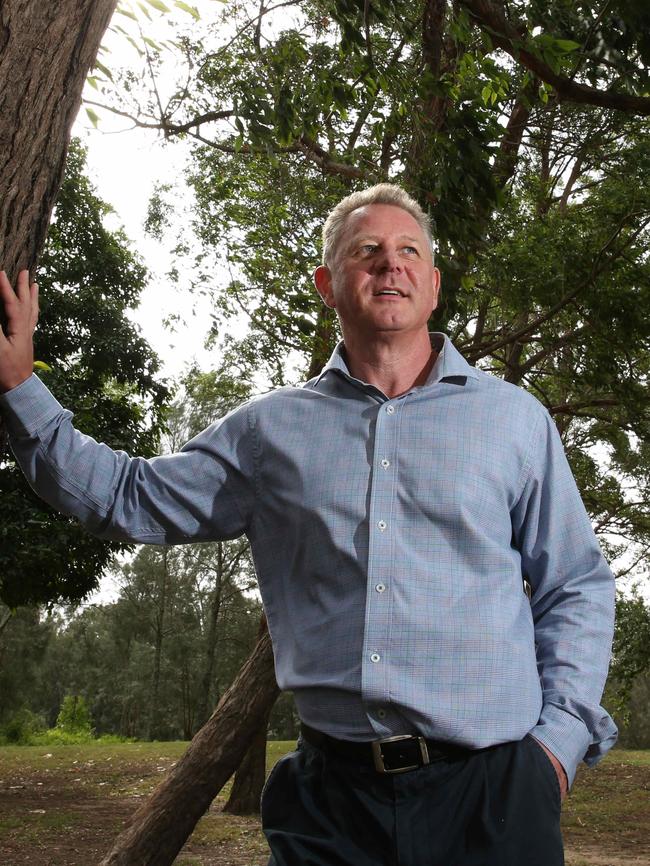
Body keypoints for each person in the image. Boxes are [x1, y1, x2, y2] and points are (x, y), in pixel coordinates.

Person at [0, 184, 616, 865]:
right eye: (367, 251)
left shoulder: (514, 420)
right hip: (331, 809)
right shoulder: (270, 432)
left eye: (409, 251)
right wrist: (22, 388)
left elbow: (577, 585)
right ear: (328, 283)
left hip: (495, 800)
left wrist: (555, 750)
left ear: (433, 285)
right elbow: (130, 496)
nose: (390, 265)